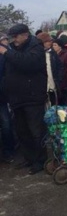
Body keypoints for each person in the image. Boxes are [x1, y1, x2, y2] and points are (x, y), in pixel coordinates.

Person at [0, 24, 48, 174]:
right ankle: (29, 158)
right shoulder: (14, 49)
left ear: (25, 35)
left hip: (33, 97)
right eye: (12, 37)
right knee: (22, 131)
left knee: (36, 131)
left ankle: (40, 160)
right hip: (16, 97)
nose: (13, 40)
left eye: (16, 37)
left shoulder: (36, 47)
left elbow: (27, 63)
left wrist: (6, 52)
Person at [0, 33, 16, 163]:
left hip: (2, 97)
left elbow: (7, 74)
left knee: (6, 125)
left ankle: (9, 151)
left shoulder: (3, 56)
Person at [36, 32, 63, 106]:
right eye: (48, 41)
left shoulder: (52, 53)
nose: (50, 43)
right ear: (42, 42)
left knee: (54, 108)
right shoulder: (36, 54)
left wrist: (59, 79)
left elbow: (59, 66)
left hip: (53, 86)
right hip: (41, 88)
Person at [52, 38, 67, 105]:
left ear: (60, 46)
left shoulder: (66, 55)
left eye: (55, 45)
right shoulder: (53, 55)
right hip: (57, 83)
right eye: (53, 45)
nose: (53, 47)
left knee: (65, 102)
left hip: (65, 84)